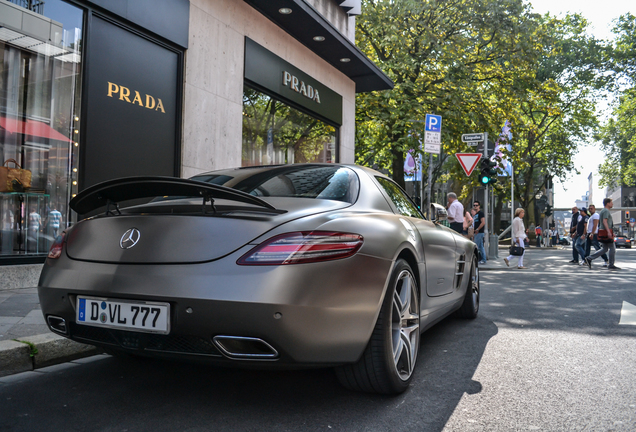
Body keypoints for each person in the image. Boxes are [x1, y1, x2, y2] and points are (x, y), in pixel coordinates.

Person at [585, 198, 620, 270]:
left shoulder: (602, 211)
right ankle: (611, 265)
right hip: (606, 232)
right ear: (608, 203)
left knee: (604, 249)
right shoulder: (606, 211)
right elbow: (604, 222)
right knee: (612, 249)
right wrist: (609, 232)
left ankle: (589, 258)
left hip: (603, 232)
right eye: (611, 202)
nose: (612, 204)